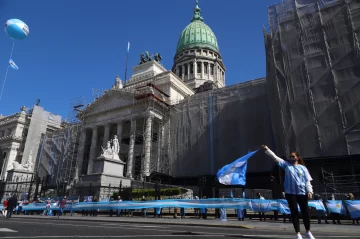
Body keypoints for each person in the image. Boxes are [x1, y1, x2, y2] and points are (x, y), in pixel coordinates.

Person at [263, 145, 315, 239]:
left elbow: (307, 181)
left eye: (293, 156)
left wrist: (310, 191)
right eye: (290, 156)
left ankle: (308, 232)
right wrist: (267, 149)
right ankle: (298, 234)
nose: (291, 158)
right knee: (294, 212)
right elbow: (275, 158)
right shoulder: (286, 165)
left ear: (297, 157)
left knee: (305, 212)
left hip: (302, 193)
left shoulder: (303, 168)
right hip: (290, 193)